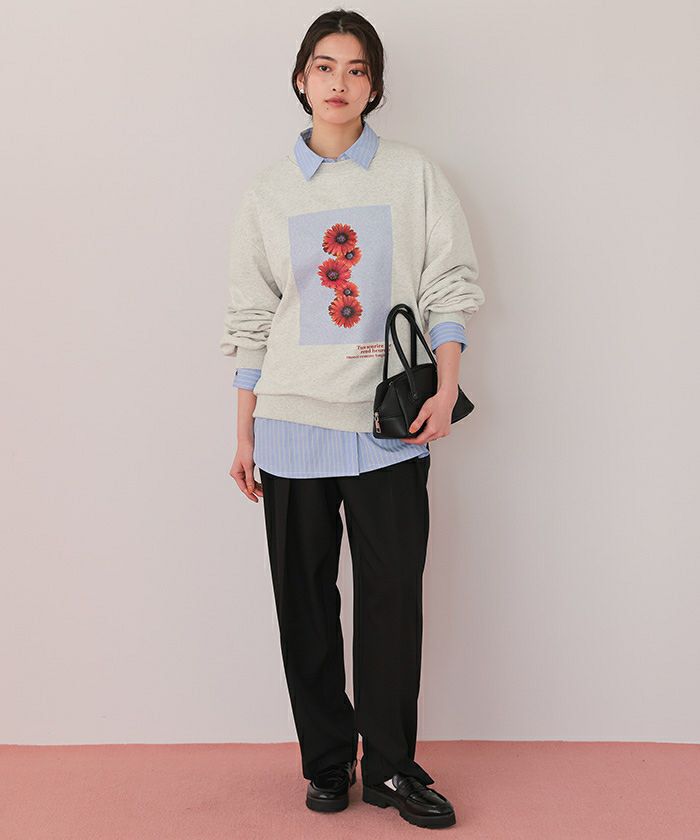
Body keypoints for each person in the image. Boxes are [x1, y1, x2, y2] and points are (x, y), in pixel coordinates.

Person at [220, 9, 485, 830]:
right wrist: (243, 430)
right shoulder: (268, 191)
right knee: (303, 604)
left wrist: (447, 385)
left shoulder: (412, 175)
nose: (340, 83)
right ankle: (327, 763)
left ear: (375, 84)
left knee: (391, 601)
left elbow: (449, 283)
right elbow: (250, 316)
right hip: (290, 424)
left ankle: (393, 769)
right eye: (325, 66)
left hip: (390, 427)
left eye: (357, 69)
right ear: (302, 78)